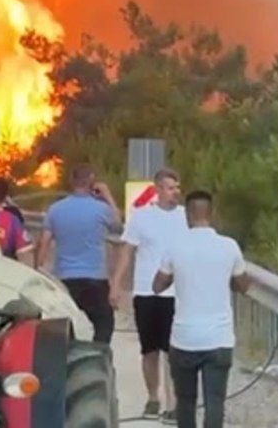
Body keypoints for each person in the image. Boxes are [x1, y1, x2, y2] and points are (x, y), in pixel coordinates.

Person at [152, 191, 251, 428]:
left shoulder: (175, 247)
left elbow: (157, 286)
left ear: (187, 214)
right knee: (215, 401)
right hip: (219, 338)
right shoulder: (229, 246)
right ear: (212, 213)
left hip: (184, 338)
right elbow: (243, 286)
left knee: (185, 402)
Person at [112, 168, 187, 421]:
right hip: (146, 291)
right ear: (157, 189)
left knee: (172, 351)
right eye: (169, 187)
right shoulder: (141, 217)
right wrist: (116, 285)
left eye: (177, 187)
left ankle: (173, 402)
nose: (174, 192)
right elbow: (126, 252)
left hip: (176, 294)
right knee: (150, 351)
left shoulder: (185, 217)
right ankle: (153, 397)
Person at [37, 164, 121, 344]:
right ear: (92, 182)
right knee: (103, 323)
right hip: (95, 278)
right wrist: (106, 195)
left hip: (64, 278)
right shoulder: (101, 209)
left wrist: (38, 268)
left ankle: (69, 355)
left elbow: (44, 242)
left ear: (71, 182)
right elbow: (118, 224)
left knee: (64, 324)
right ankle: (98, 357)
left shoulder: (56, 209)